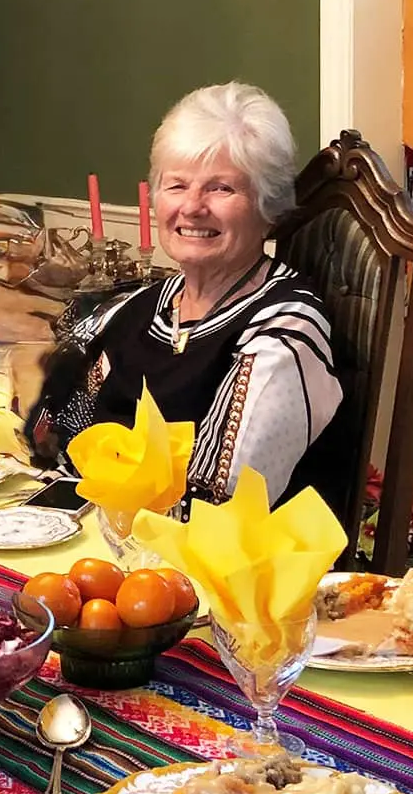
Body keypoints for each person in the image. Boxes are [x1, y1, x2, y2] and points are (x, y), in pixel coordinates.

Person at [26, 82, 341, 505]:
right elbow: (58, 434)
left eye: (221, 188)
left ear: (269, 207)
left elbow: (220, 501)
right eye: (176, 185)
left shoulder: (283, 332)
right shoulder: (139, 308)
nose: (192, 206)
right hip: (94, 540)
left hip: (198, 561)